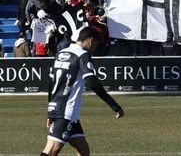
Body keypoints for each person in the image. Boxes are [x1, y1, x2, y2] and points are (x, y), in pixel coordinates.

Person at [40, 26, 124, 156]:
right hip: (66, 111)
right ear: (90, 41)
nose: (95, 48)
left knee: (83, 151)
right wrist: (114, 105)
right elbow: (93, 83)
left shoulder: (61, 53)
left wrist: (50, 110)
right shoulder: (82, 55)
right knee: (51, 151)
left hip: (61, 109)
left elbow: (51, 84)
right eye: (96, 44)